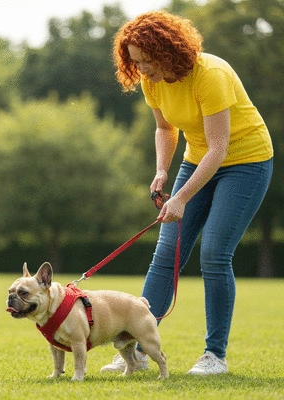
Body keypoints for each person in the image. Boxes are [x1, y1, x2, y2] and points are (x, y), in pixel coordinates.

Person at [101, 10, 273, 376]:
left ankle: (215, 356)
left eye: (148, 60)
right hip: (197, 161)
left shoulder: (210, 75)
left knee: (214, 253)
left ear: (168, 49)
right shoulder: (152, 82)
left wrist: (181, 198)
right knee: (165, 253)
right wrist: (162, 170)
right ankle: (137, 350)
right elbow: (165, 129)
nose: (143, 69)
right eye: (136, 62)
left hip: (246, 163)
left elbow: (219, 148)